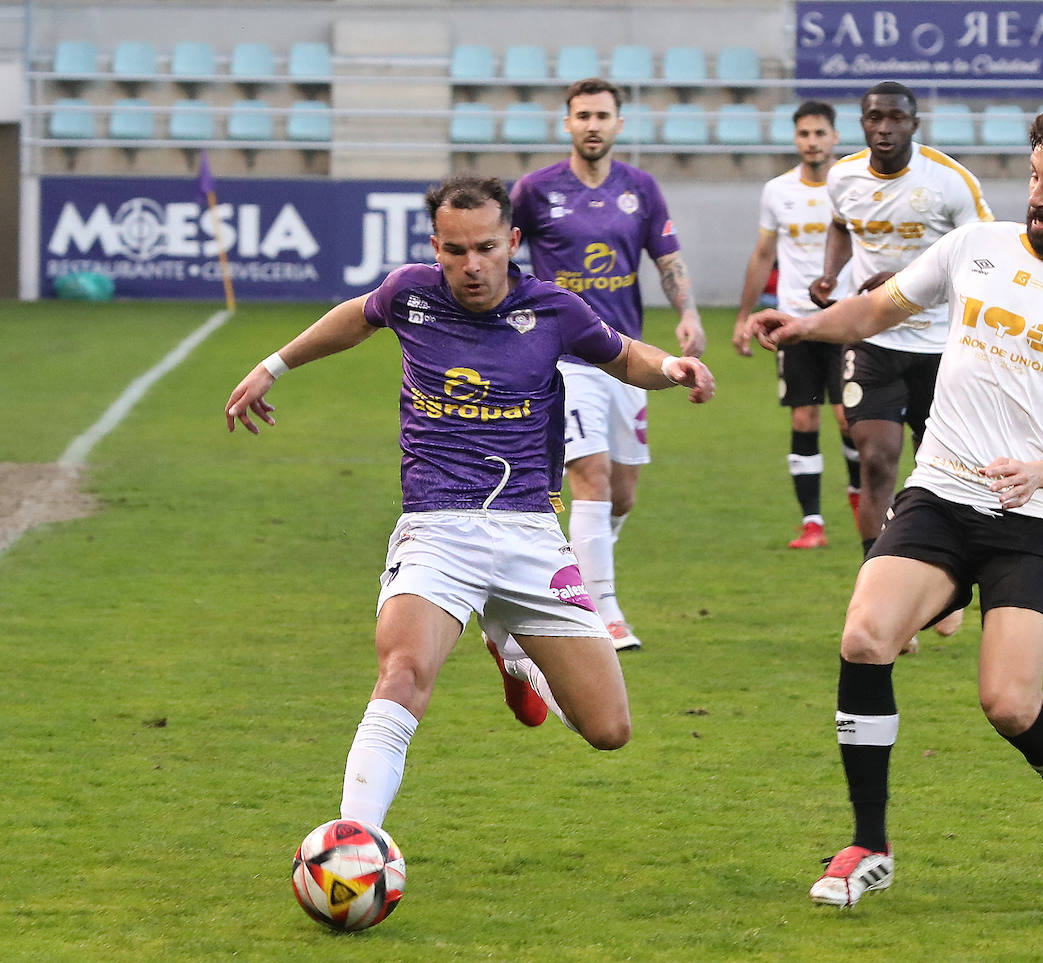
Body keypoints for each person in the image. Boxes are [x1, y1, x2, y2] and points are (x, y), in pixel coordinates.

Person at [224, 175, 714, 833]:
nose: (471, 265)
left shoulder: (553, 310)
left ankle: (516, 657)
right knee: (402, 673)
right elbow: (356, 315)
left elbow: (624, 356)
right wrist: (272, 366)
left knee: (609, 729)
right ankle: (354, 839)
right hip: (436, 528)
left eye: (485, 247)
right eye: (454, 250)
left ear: (512, 240)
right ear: (436, 245)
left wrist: (673, 368)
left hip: (530, 534)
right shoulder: (411, 293)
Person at [748, 106, 1043, 908]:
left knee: (1007, 702)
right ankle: (869, 842)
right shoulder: (977, 247)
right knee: (864, 636)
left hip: (1035, 519)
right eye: (1034, 176)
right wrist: (804, 327)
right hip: (944, 492)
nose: (1037, 195)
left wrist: (1040, 472)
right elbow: (878, 309)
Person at [511, 78, 707, 652]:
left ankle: (579, 566)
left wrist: (689, 314)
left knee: (622, 494)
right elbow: (499, 250)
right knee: (589, 479)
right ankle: (602, 612)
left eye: (602, 115)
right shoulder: (534, 190)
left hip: (628, 358)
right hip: (563, 359)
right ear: (566, 124)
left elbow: (667, 258)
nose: (592, 124)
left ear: (619, 124)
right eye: (582, 115)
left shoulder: (641, 190)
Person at [812, 81, 994, 639]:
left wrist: (908, 283)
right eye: (874, 118)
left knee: (947, 472)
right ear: (861, 124)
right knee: (876, 461)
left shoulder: (950, 182)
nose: (884, 128)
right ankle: (882, 595)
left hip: (943, 348)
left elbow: (985, 257)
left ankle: (949, 581)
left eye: (895, 119)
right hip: (873, 343)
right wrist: (831, 273)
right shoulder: (843, 177)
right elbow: (843, 224)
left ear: (915, 124)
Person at [731, 100, 862, 550]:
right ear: (796, 139)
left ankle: (861, 501)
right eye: (804, 134)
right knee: (805, 416)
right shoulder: (778, 191)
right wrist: (744, 316)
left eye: (820, 133)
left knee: (849, 419)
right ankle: (812, 523)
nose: (812, 141)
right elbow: (763, 254)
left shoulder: (854, 186)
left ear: (834, 137)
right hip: (792, 320)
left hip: (845, 318)